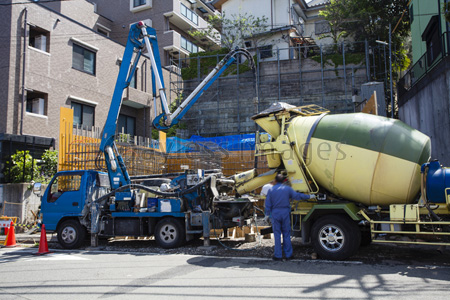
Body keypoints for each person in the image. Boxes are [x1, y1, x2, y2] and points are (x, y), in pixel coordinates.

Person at [265, 174, 315, 261]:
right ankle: (288, 255)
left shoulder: (271, 190)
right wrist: (310, 196)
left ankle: (278, 255)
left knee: (277, 235)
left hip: (275, 213)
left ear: (275, 181)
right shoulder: (287, 189)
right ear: (284, 181)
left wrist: (266, 215)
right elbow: (297, 196)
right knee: (286, 234)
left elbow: (268, 204)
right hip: (285, 213)